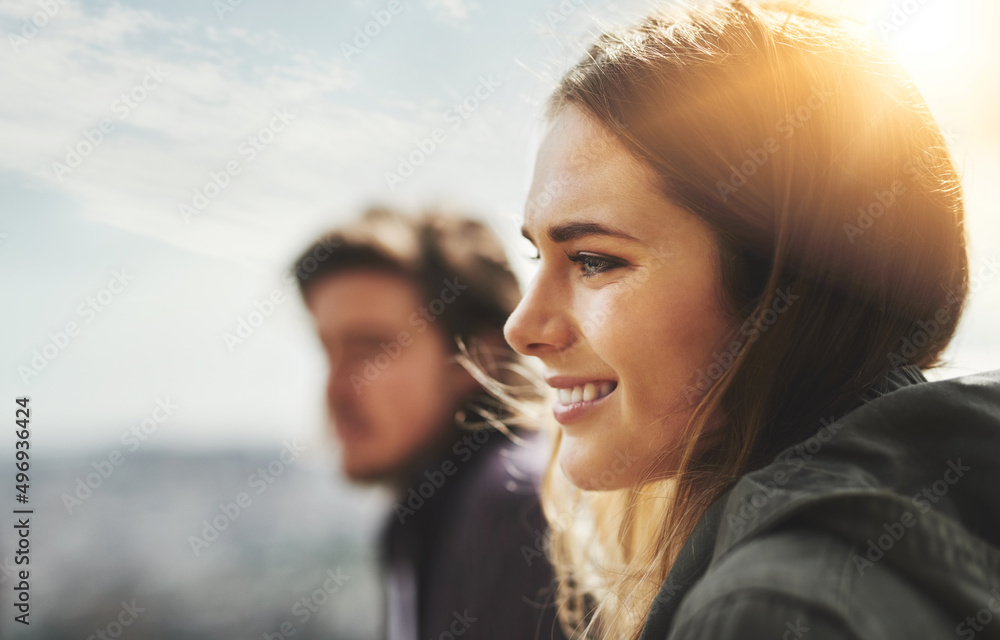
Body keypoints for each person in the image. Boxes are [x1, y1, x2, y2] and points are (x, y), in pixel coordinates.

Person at [498, 2, 1000, 639]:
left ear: (788, 286)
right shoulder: (941, 502)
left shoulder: (773, 611)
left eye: (594, 261)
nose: (522, 326)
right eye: (537, 254)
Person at [294, 206, 566, 640]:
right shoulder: (432, 511)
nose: (335, 390)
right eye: (328, 350)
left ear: (476, 358)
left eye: (369, 349)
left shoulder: (515, 504)